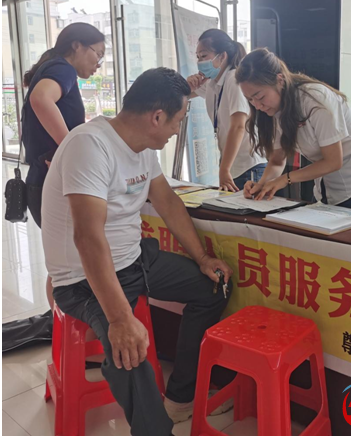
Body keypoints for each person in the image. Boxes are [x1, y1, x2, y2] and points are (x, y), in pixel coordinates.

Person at [41, 68, 234, 435]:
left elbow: (168, 203)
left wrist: (203, 258)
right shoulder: (89, 145)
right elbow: (88, 238)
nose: (177, 129)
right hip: (83, 279)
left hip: (134, 260)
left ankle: (180, 398)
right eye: (178, 120)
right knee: (128, 350)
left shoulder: (143, 148)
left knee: (213, 286)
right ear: (156, 117)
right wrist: (119, 319)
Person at [235, 48, 351, 209]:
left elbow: (333, 161)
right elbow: (276, 161)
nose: (257, 106)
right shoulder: (272, 110)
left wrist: (284, 179)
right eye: (250, 100)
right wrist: (262, 185)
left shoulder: (315, 99)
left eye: (260, 97)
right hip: (327, 186)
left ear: (280, 80)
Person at [21, 22, 105, 310]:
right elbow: (40, 99)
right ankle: (62, 328)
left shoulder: (55, 68)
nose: (98, 63)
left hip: (42, 178)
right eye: (98, 54)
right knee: (68, 264)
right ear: (77, 46)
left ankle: (60, 327)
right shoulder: (63, 68)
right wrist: (70, 147)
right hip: (49, 181)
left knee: (64, 261)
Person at [186, 29, 266, 191]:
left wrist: (224, 169)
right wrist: (188, 85)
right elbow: (184, 94)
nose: (200, 62)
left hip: (248, 167)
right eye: (198, 57)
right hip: (234, 167)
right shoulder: (212, 83)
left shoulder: (233, 78)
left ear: (222, 56)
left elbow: (238, 126)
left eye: (204, 56)